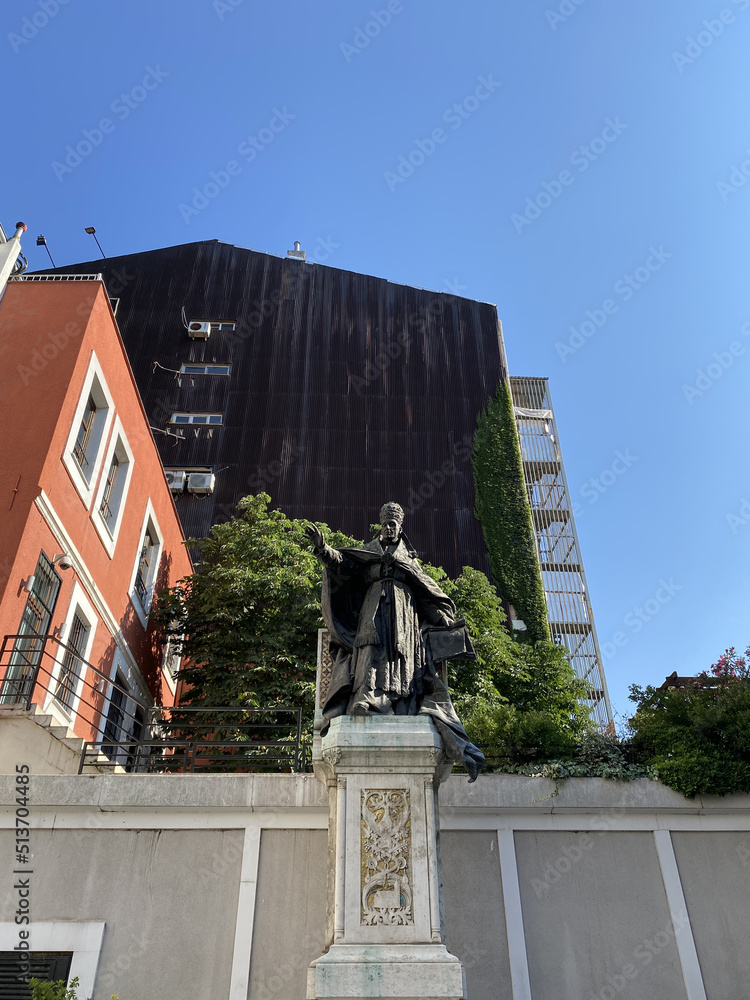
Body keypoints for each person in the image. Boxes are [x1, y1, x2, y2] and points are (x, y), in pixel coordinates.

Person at [306, 502, 484, 781]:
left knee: (401, 658)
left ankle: (398, 703)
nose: (389, 528)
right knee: (368, 651)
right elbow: (342, 564)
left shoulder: (410, 560)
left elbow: (427, 591)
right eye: (386, 523)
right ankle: (365, 699)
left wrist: (442, 618)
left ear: (400, 527)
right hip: (372, 609)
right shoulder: (368, 552)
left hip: (404, 614)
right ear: (381, 525)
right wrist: (323, 549)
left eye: (394, 524)